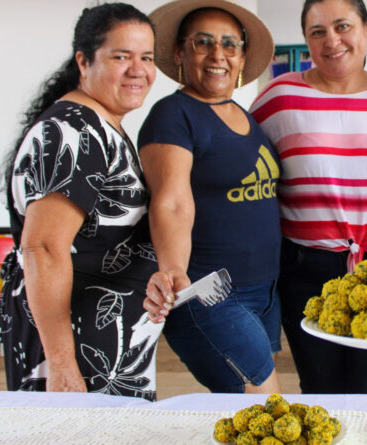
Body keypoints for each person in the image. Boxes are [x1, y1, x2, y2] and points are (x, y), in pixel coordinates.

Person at [250, 0, 367, 394]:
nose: (332, 41)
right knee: (320, 386)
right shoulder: (278, 98)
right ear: (306, 40)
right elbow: (246, 171)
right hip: (305, 268)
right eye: (317, 32)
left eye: (343, 26)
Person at [0, 3, 161, 400]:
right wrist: (63, 368)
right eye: (121, 56)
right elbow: (43, 249)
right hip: (74, 353)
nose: (138, 70)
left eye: (147, 57)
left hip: (99, 346)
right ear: (84, 61)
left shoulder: (98, 124)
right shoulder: (72, 131)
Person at [139, 0, 281, 394]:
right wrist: (173, 271)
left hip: (263, 290)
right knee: (265, 405)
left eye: (229, 44)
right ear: (180, 52)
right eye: (203, 43)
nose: (218, 55)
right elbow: (170, 201)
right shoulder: (173, 115)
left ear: (242, 56)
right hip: (209, 290)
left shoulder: (241, 112)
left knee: (247, 410)